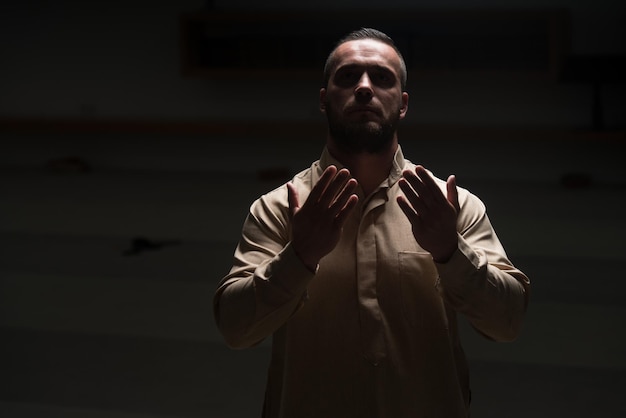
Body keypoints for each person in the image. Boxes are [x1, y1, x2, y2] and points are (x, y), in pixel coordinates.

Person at [213, 28, 530, 418]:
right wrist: (299, 256)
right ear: (324, 99)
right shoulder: (280, 208)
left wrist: (452, 251)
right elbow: (235, 329)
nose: (364, 88)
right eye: (348, 76)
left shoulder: (452, 206)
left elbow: (508, 323)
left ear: (403, 104)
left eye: (382, 78)